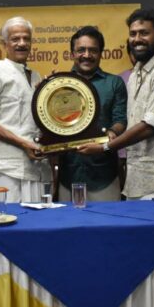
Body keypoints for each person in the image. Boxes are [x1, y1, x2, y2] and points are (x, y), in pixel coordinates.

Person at [78, 8, 154, 200]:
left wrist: (105, 147)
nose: (137, 39)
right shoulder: (136, 72)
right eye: (133, 34)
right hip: (136, 178)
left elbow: (149, 126)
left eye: (144, 33)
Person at [0, 16, 52, 202]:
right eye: (15, 39)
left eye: (26, 39)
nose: (22, 43)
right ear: (5, 44)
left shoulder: (36, 77)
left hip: (40, 167)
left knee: (42, 219)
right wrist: (23, 144)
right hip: (10, 170)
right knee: (10, 218)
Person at [58, 26, 127, 202]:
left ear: (101, 53)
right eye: (81, 50)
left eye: (93, 50)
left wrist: (112, 132)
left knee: (108, 220)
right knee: (67, 220)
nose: (87, 55)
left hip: (104, 176)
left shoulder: (114, 83)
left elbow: (120, 119)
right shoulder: (58, 85)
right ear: (72, 54)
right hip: (68, 175)